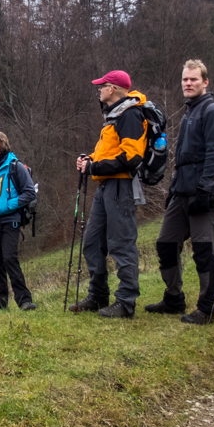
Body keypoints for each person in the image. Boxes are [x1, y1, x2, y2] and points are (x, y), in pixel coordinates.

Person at [145, 59, 214, 325]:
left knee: (204, 250)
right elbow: (183, 158)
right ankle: (173, 298)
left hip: (204, 192)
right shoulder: (189, 111)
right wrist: (173, 190)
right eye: (185, 79)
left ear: (205, 82)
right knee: (166, 244)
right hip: (181, 192)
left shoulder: (213, 111)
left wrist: (205, 191)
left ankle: (207, 308)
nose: (188, 83)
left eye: (193, 79)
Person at [70, 70, 148, 318]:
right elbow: (107, 152)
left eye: (101, 86)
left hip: (121, 187)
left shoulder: (131, 115)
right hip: (106, 187)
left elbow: (132, 157)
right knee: (92, 242)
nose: (98, 90)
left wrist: (95, 167)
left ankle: (126, 302)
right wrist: (89, 159)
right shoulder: (113, 117)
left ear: (112, 88)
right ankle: (98, 296)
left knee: (121, 244)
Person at [0, 131, 39, 311]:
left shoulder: (15, 166)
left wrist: (6, 206)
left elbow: (29, 193)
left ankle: (25, 300)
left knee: (9, 258)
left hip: (10, 220)